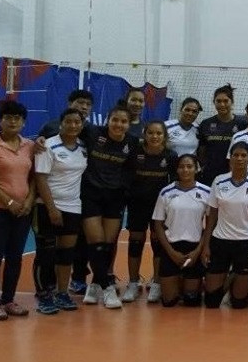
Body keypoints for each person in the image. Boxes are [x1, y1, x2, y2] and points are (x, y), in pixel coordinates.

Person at [0, 100, 36, 320]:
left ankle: (9, 300)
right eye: (8, 118)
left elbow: (33, 178)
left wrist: (28, 201)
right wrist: (9, 202)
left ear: (23, 122)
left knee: (15, 256)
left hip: (23, 211)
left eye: (17, 118)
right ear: (0, 121)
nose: (13, 122)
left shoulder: (29, 146)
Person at [79, 105, 141, 309]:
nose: (118, 124)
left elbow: (131, 169)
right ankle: (107, 288)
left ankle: (94, 284)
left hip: (114, 197)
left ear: (129, 124)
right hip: (91, 195)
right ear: (108, 119)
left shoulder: (132, 142)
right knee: (95, 242)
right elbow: (63, 128)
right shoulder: (93, 133)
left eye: (123, 121)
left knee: (107, 244)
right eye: (115, 120)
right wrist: (41, 139)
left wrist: (122, 189)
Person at [35, 89, 93, 295]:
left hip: (74, 204)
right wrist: (51, 208)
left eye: (77, 122)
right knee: (46, 252)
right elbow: (40, 175)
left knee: (68, 251)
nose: (74, 125)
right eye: (69, 122)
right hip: (48, 204)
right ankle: (44, 293)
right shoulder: (48, 140)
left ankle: (64, 291)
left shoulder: (86, 142)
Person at [201, 141, 248, 309]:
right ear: (230, 158)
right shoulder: (219, 181)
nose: (239, 158)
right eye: (235, 155)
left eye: (243, 155)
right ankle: (234, 274)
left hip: (245, 242)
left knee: (239, 303)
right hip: (220, 240)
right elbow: (212, 215)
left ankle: (240, 276)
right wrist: (206, 245)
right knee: (211, 302)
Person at [123, 121, 177, 303]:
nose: (155, 136)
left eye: (159, 133)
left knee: (157, 244)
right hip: (137, 205)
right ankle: (133, 283)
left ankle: (157, 283)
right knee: (135, 242)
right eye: (151, 133)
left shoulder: (170, 156)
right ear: (144, 135)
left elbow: (174, 183)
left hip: (159, 208)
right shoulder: (134, 153)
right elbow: (126, 176)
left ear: (164, 136)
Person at [152, 154, 211, 306]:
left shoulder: (207, 192)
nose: (185, 170)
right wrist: (171, 252)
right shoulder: (166, 192)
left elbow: (210, 225)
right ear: (177, 170)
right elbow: (158, 224)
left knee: (191, 301)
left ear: (196, 169)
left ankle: (188, 282)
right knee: (169, 301)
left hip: (194, 248)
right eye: (182, 167)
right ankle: (177, 280)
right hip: (171, 247)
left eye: (189, 166)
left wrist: (198, 251)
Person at [197, 84, 247, 186]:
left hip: (233, 175)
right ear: (214, 102)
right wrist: (203, 166)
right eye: (218, 101)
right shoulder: (206, 124)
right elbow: (201, 151)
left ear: (232, 102)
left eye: (225, 101)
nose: (222, 104)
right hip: (210, 176)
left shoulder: (242, 124)